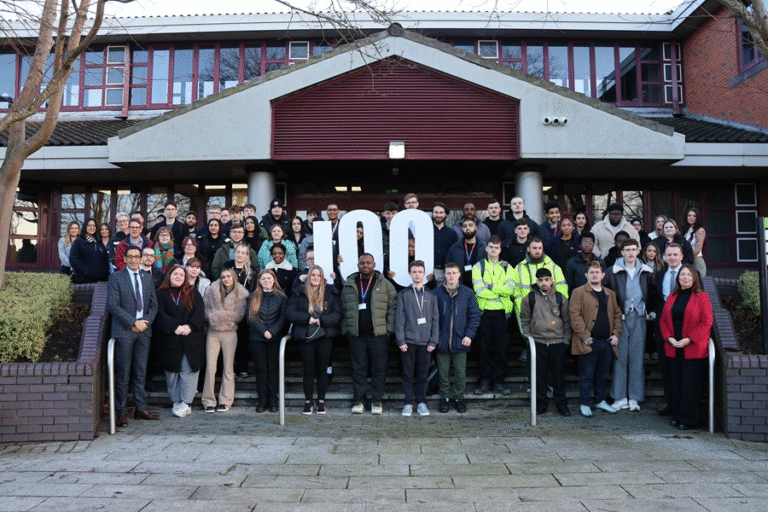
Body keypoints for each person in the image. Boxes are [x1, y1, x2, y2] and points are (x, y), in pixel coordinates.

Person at [106, 246, 160, 427]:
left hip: (144, 331)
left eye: (138, 256)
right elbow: (113, 305)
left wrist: (145, 322)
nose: (135, 260)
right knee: (123, 374)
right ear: (125, 258)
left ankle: (140, 409)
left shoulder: (147, 277)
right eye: (131, 256)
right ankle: (121, 412)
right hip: (124, 331)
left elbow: (153, 305)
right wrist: (132, 322)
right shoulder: (116, 277)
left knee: (140, 372)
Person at [341, 253, 397, 415]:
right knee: (358, 370)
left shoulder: (386, 285)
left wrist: (388, 330)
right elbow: (344, 307)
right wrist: (346, 330)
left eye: (368, 263)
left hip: (378, 336)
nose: (365, 265)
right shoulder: (350, 284)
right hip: (357, 336)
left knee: (379, 369)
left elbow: (393, 308)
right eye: (362, 263)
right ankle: (359, 400)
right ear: (358, 265)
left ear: (374, 264)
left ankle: (376, 401)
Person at [660, 264, 713, 430]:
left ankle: (690, 420)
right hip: (673, 346)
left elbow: (707, 322)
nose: (686, 278)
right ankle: (677, 416)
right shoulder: (672, 296)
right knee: (676, 384)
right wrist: (669, 338)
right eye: (683, 275)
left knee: (690, 385)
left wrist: (689, 339)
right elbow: (663, 321)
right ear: (678, 278)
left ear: (694, 278)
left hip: (693, 348)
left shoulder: (701, 296)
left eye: (689, 275)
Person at [604, 238, 655, 412]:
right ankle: (619, 397)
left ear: (638, 251)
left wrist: (651, 310)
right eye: (627, 250)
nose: (631, 253)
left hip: (639, 317)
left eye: (634, 249)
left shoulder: (646, 271)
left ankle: (634, 398)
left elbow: (652, 293)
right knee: (620, 357)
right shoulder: (613, 271)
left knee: (637, 358)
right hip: (620, 318)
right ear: (622, 252)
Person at [569, 260, 622, 417]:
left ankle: (600, 401)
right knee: (586, 375)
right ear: (586, 275)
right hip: (588, 342)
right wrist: (585, 336)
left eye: (597, 272)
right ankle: (585, 403)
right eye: (591, 272)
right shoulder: (578, 292)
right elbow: (574, 315)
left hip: (606, 342)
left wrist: (616, 334)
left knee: (602, 374)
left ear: (603, 275)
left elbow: (617, 315)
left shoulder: (610, 294)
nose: (594, 274)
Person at [287, 265, 343, 415]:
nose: (316, 278)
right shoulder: (299, 292)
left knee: (322, 370)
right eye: (313, 275)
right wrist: (307, 319)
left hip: (324, 335)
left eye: (319, 275)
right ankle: (308, 401)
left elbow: (338, 313)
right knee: (308, 370)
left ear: (322, 277)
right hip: (306, 336)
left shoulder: (331, 292)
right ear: (309, 277)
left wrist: (322, 320)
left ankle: (321, 401)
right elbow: (290, 313)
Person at [154, 265, 205, 418]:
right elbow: (159, 314)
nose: (178, 277)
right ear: (169, 275)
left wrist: (190, 326)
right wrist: (174, 327)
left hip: (190, 338)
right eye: (175, 274)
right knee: (172, 372)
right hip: (169, 337)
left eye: (181, 275)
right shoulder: (160, 293)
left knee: (187, 370)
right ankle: (176, 401)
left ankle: (187, 403)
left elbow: (199, 311)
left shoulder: (192, 292)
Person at [520, 267, 572, 417]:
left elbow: (567, 321)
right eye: (541, 280)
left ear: (551, 280)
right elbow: (525, 321)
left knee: (558, 376)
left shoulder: (560, 298)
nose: (544, 283)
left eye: (546, 279)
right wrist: (530, 339)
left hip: (557, 342)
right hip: (538, 342)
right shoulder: (529, 298)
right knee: (539, 377)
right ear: (536, 281)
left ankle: (561, 405)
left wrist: (565, 341)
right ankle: (541, 404)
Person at [201, 268, 249, 413]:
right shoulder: (212, 290)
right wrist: (220, 316)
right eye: (223, 277)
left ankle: (226, 400)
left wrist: (216, 316)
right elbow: (205, 311)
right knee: (210, 367)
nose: (226, 279)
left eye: (229, 276)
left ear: (234, 277)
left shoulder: (241, 293)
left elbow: (238, 316)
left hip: (230, 333)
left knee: (228, 368)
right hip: (213, 332)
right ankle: (208, 400)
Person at [435, 262, 481, 413]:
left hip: (461, 339)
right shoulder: (436, 293)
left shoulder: (467, 293)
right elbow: (432, 318)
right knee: (443, 372)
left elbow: (474, 316)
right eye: (448, 273)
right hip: (442, 340)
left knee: (460, 373)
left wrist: (469, 335)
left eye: (454, 273)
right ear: (444, 275)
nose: (451, 276)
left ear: (459, 274)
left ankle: (459, 399)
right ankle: (444, 398)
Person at [396, 260, 439, 417]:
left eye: (420, 272)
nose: (417, 274)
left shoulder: (431, 295)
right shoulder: (404, 295)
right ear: (410, 273)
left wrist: (433, 341)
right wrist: (400, 340)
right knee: (407, 375)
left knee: (422, 375)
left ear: (424, 274)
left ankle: (421, 402)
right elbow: (399, 319)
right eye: (414, 271)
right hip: (408, 341)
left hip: (426, 343)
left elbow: (435, 320)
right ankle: (408, 402)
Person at [472, 235, 514, 395]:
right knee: (482, 348)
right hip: (484, 313)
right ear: (486, 248)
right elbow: (479, 290)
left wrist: (490, 286)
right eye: (491, 247)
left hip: (502, 314)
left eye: (496, 247)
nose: (493, 250)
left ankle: (499, 382)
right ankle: (483, 381)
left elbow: (509, 289)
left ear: (500, 249)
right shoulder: (478, 266)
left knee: (501, 349)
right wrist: (498, 292)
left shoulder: (507, 267)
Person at [248, 269, 289, 413]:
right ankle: (262, 400)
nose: (266, 281)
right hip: (257, 338)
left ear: (274, 280)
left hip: (275, 338)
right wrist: (263, 331)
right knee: (261, 370)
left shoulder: (281, 297)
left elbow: (283, 317)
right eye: (263, 279)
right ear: (259, 281)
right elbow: (251, 317)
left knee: (273, 369)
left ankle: (273, 400)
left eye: (269, 278)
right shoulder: (253, 296)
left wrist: (272, 331)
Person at [652, 243, 686, 416]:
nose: (672, 257)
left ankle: (681, 407)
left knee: (680, 369)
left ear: (681, 257)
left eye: (675, 254)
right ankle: (670, 405)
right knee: (665, 368)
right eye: (669, 255)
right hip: (663, 328)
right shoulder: (659, 275)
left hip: (682, 328)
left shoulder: (689, 275)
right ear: (664, 257)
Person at [445, 217, 487, 288]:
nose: (467, 228)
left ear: (476, 228)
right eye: (465, 226)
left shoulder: (484, 247)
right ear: (462, 229)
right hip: (460, 285)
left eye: (470, 225)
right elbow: (448, 264)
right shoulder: (455, 247)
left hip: (480, 285)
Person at [69, 218, 109, 284]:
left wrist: (105, 273)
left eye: (94, 226)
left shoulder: (99, 242)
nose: (92, 227)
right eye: (89, 225)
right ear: (85, 227)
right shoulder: (78, 242)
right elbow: (73, 259)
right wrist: (85, 271)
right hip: (84, 280)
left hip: (101, 280)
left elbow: (105, 259)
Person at [432, 202, 458, 285]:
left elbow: (454, 254)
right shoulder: (425, 231)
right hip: (429, 271)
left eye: (441, 212)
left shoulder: (452, 233)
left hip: (446, 272)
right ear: (432, 213)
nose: (438, 215)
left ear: (446, 214)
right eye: (436, 212)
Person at [683, 207, 707, 277]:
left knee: (699, 284)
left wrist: (687, 259)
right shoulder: (687, 230)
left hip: (696, 261)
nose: (691, 217)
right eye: (689, 215)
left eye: (694, 216)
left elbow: (698, 248)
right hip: (688, 261)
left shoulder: (700, 230)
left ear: (697, 218)